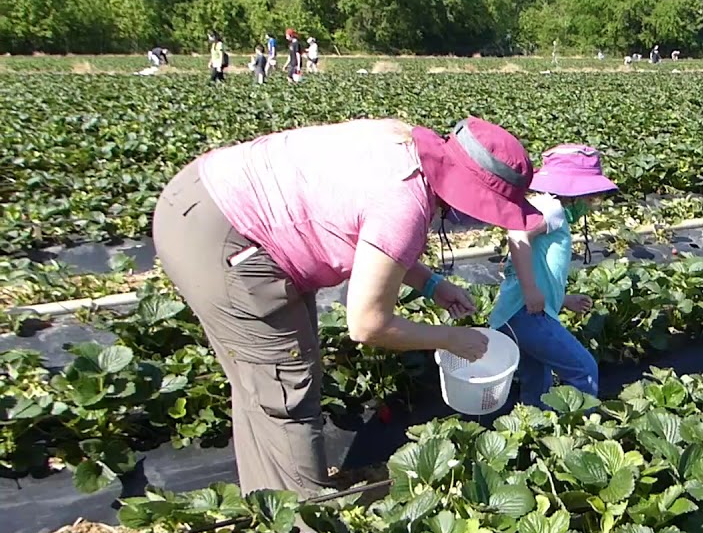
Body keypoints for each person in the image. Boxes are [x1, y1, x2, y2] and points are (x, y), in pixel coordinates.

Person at [151, 117, 545, 497]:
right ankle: (300, 527)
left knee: (261, 379)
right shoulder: (403, 204)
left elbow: (367, 232)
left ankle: (267, 497)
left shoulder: (401, 141)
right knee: (287, 386)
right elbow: (367, 325)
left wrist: (430, 284)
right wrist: (451, 338)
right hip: (227, 238)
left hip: (202, 194)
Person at [490, 145, 617, 408]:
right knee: (584, 370)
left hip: (514, 315)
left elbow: (535, 261)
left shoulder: (544, 206)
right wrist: (531, 290)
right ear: (576, 191)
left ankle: (538, 435)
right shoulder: (552, 208)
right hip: (528, 315)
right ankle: (580, 436)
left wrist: (563, 299)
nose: (591, 204)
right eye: (591, 197)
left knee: (537, 384)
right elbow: (517, 235)